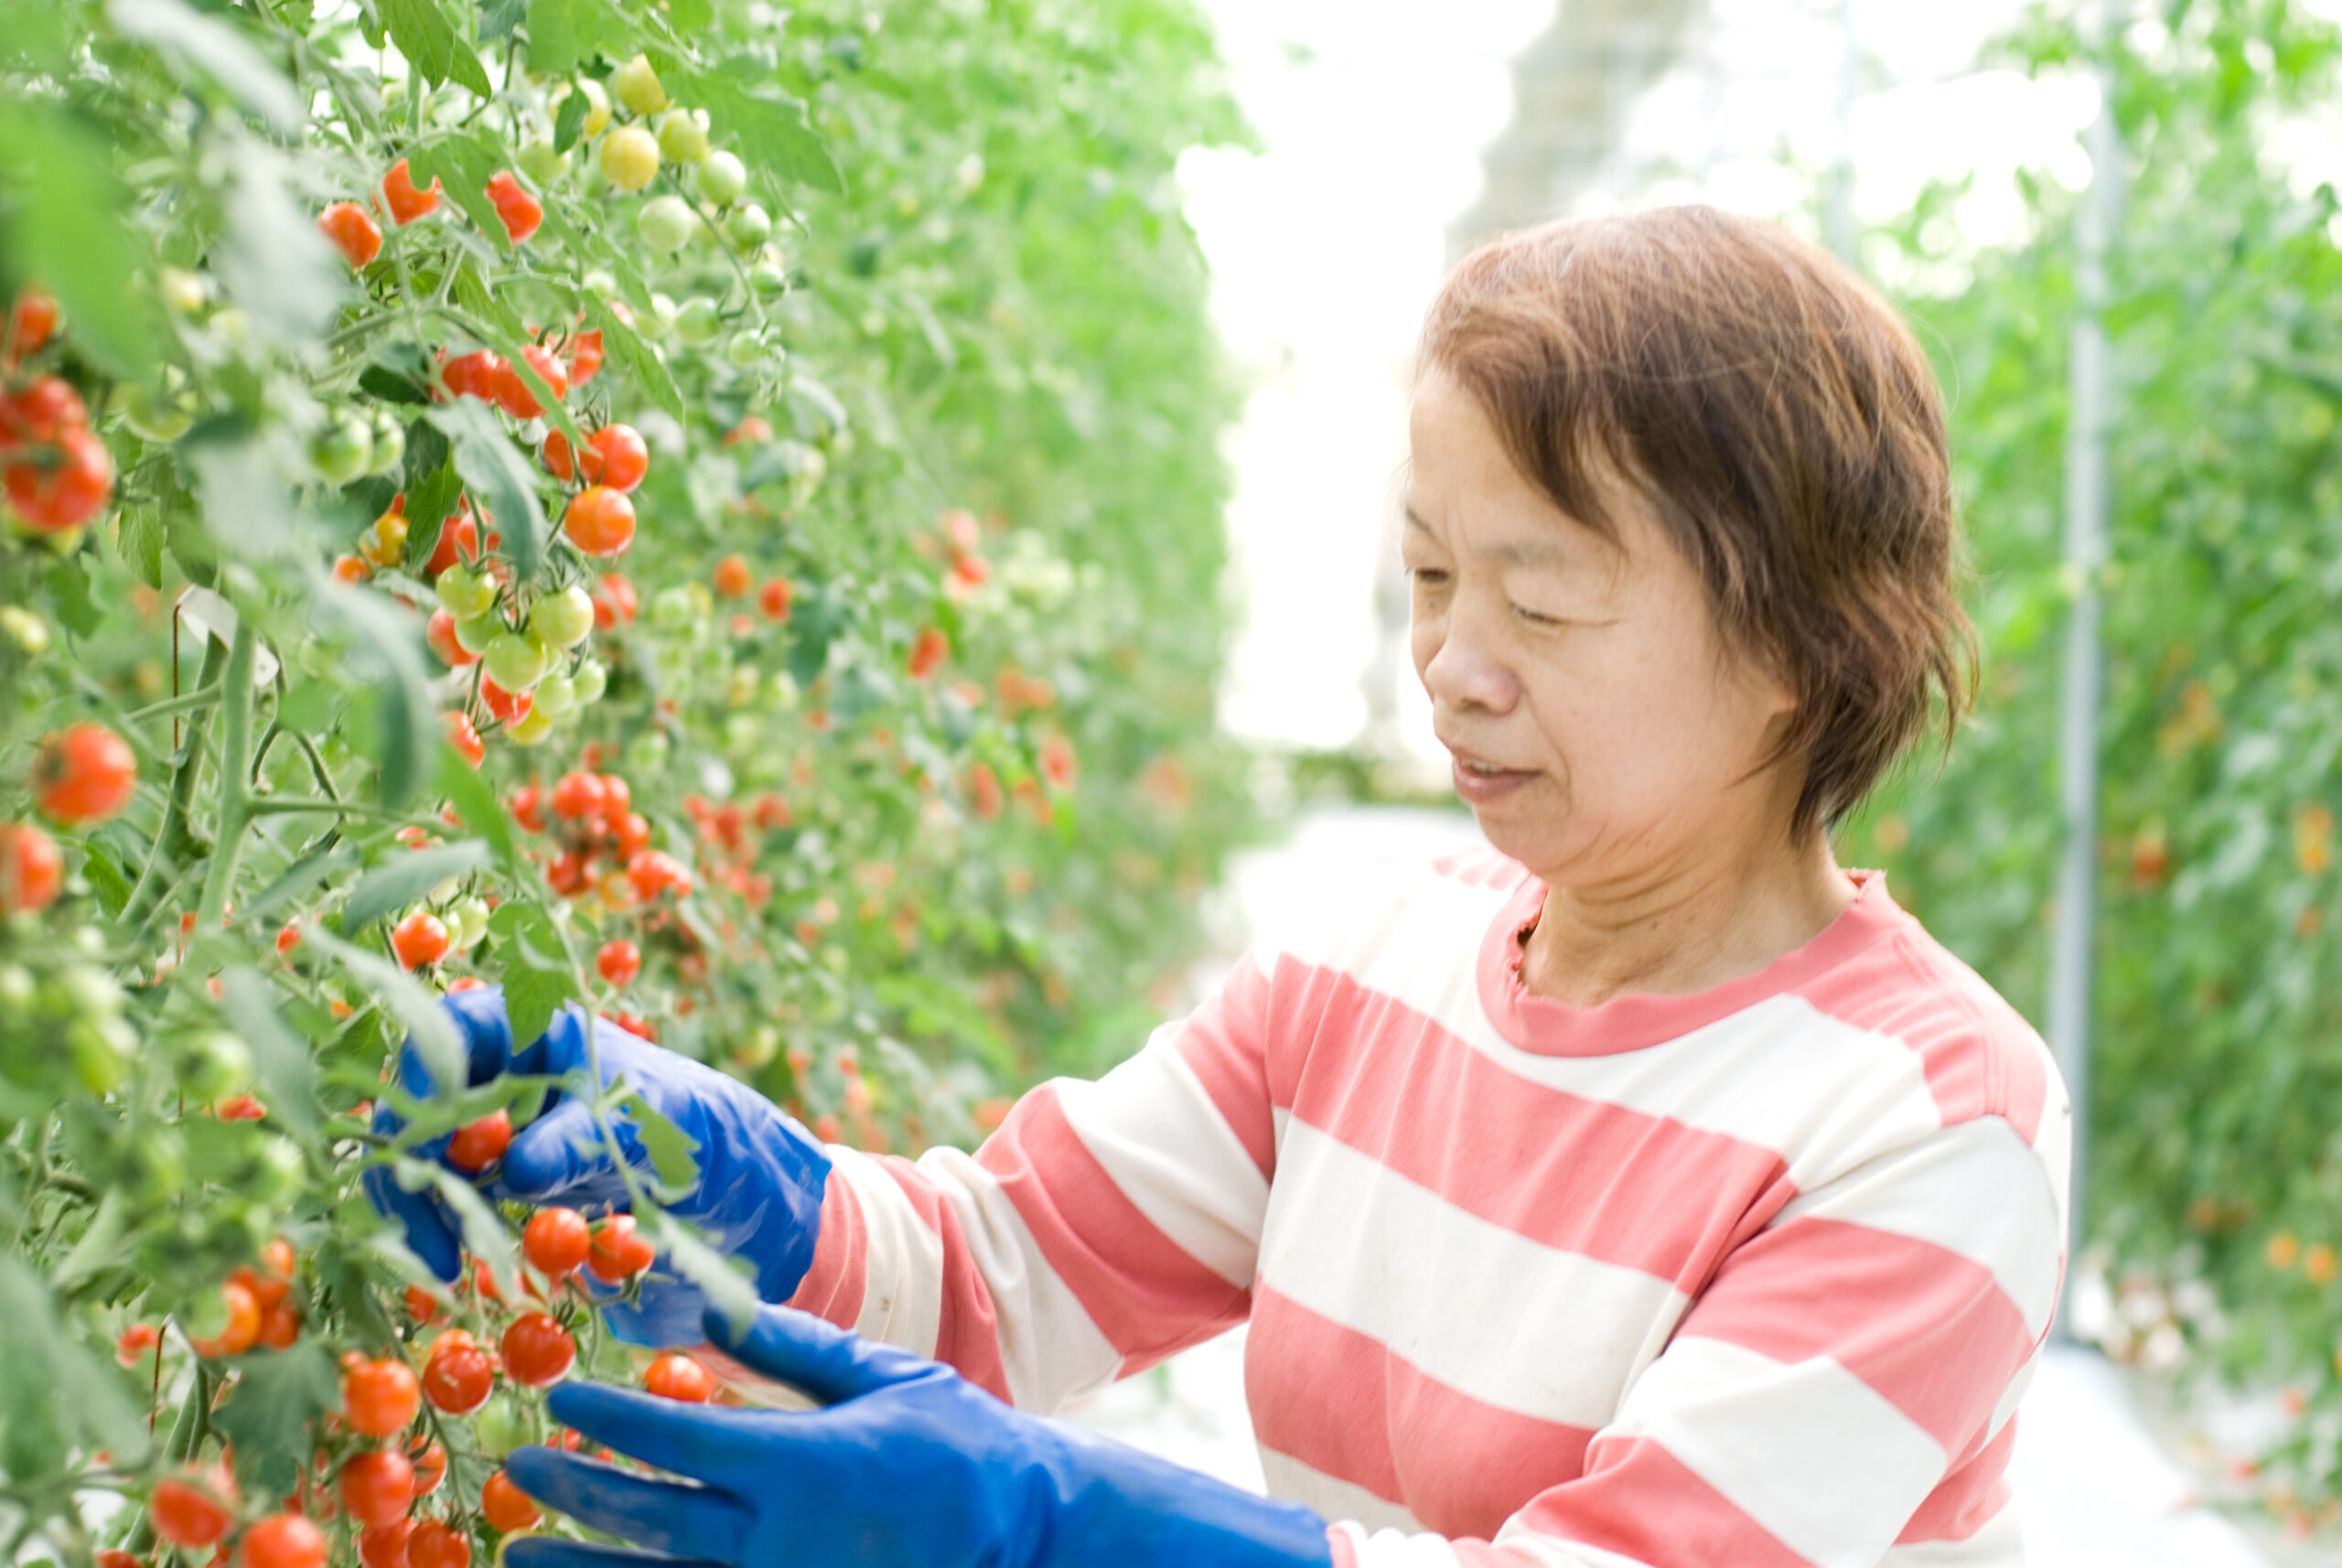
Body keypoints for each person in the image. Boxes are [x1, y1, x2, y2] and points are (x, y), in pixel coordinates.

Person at [372, 205, 2069, 1568]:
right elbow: (997, 1274)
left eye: (1540, 602)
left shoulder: (1928, 1125)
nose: (1453, 665)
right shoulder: (1375, 964)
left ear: (1797, 645)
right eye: (1427, 575)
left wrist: (1047, 1525)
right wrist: (734, 1182)